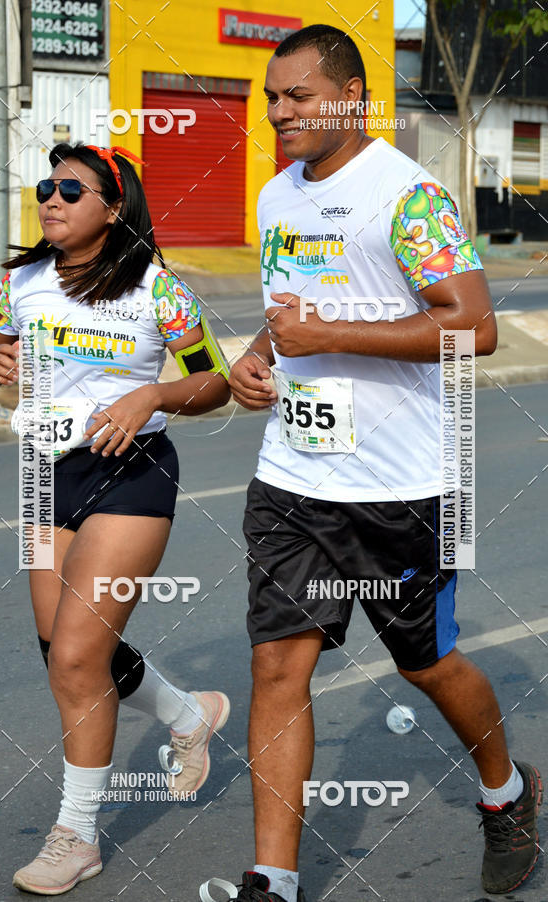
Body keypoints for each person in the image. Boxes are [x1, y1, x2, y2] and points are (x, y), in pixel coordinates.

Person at [200, 24, 542, 902]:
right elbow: (294, 320)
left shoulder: (408, 195)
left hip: (401, 486)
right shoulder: (278, 197)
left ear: (351, 96)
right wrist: (260, 360)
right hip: (294, 478)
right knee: (277, 667)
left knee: (426, 665)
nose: (278, 113)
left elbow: (476, 328)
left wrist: (327, 335)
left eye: (298, 97)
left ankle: (507, 795)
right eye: (272, 98)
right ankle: (271, 879)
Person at [0, 142, 231, 895]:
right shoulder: (21, 280)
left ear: (112, 209)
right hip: (43, 472)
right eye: (46, 185)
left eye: (70, 189)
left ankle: (76, 835)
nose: (50, 198)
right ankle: (188, 714)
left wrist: (150, 396)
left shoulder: (157, 288)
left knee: (80, 659)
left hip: (130, 476)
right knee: (58, 648)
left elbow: (213, 381)